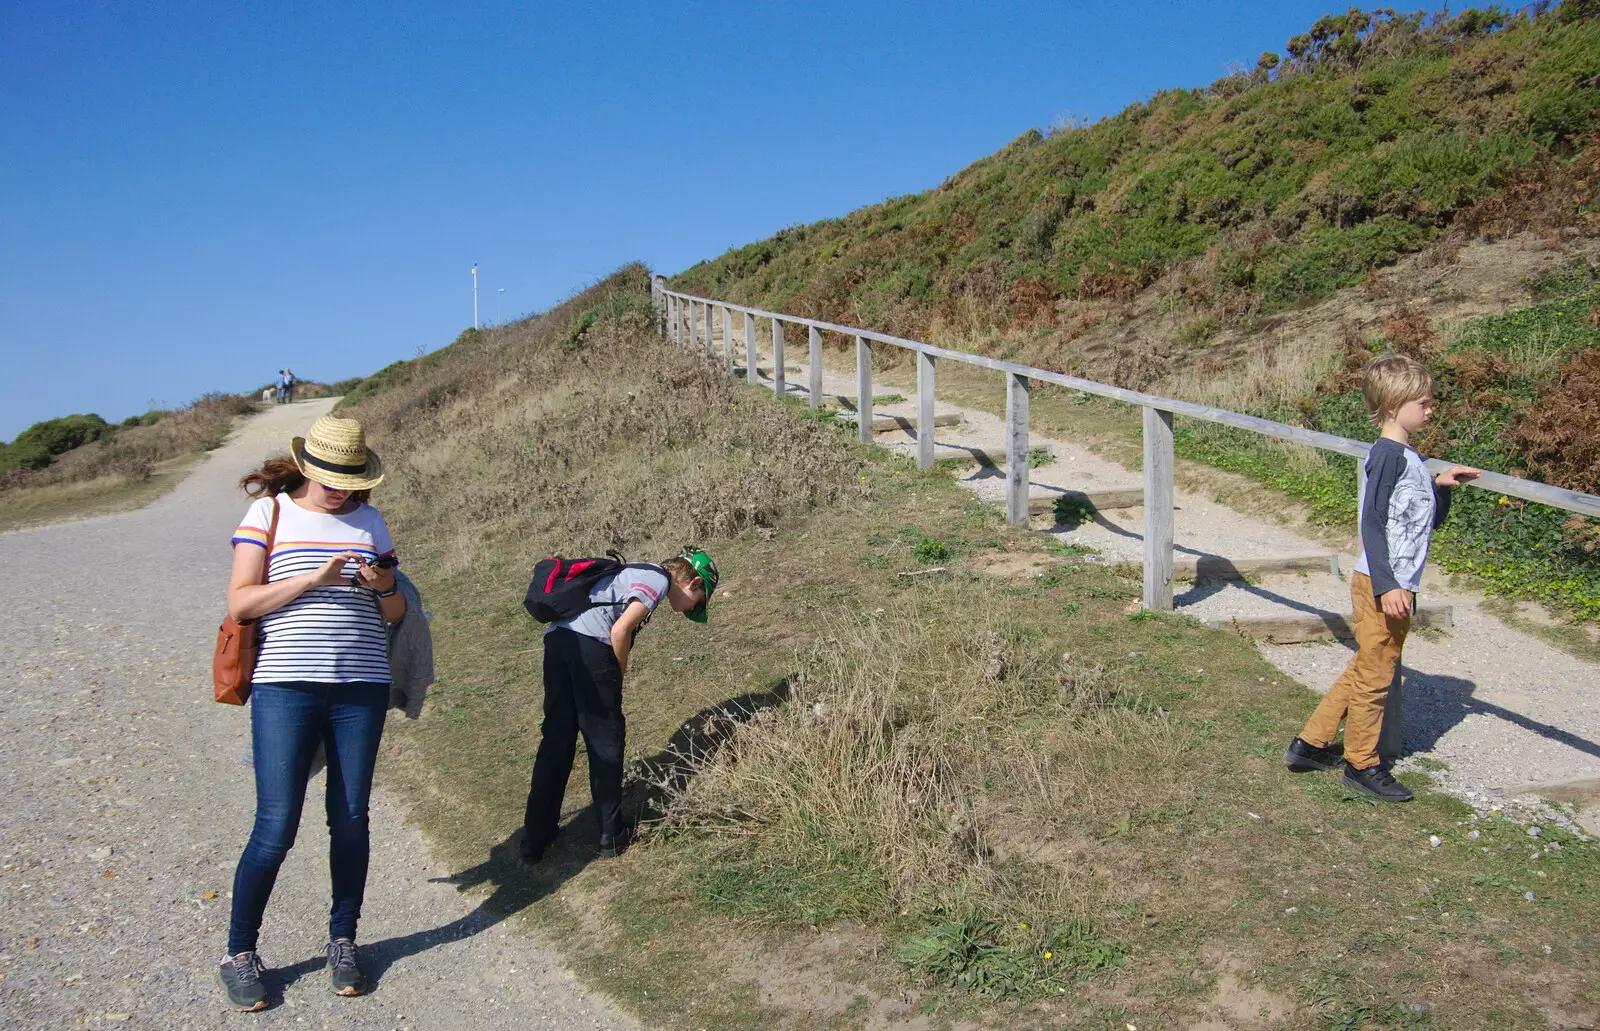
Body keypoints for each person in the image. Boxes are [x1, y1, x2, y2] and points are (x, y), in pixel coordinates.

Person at [217, 415, 404, 1010]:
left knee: (351, 819)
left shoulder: (371, 521)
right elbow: (242, 602)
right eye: (330, 476)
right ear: (307, 467)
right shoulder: (269, 514)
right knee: (276, 826)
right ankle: (240, 952)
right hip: (285, 684)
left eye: (350, 477)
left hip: (361, 685)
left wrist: (379, 585)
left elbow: (397, 611)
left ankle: (343, 941)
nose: (340, 488)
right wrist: (312, 578)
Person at [1283, 355, 1479, 802]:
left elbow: (1421, 524)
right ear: (1394, 406)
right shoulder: (1388, 456)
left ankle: (1310, 744)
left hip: (1394, 581)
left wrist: (1441, 488)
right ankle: (1361, 764)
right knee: (1376, 676)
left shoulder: (1410, 457)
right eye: (1423, 403)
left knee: (1368, 666)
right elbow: (1371, 523)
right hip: (1381, 583)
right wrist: (1388, 585)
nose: (1431, 410)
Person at [521, 548, 718, 862]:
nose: (688, 611)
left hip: (558, 640)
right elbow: (619, 630)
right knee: (605, 739)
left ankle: (535, 837)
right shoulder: (658, 578)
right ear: (692, 582)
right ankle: (611, 835)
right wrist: (618, 675)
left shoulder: (635, 571)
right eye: (699, 602)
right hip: (590, 646)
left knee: (557, 740)